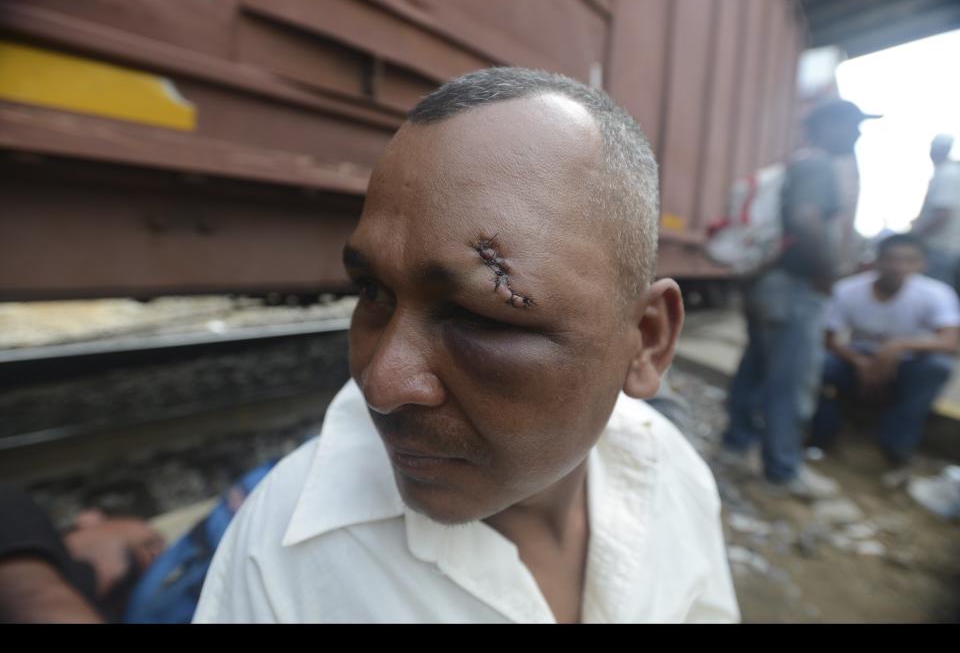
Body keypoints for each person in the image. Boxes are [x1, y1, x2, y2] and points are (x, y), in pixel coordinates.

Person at [193, 67, 740, 624]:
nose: (381, 385)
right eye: (372, 292)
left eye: (480, 319)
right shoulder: (284, 564)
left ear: (647, 341)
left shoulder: (670, 477)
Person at [721, 99, 880, 499]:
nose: (858, 135)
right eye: (853, 126)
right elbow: (806, 219)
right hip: (794, 287)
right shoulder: (820, 165)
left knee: (756, 366)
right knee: (791, 380)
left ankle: (735, 445)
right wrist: (827, 272)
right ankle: (783, 469)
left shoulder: (796, 161)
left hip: (769, 284)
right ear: (830, 126)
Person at [807, 233, 960, 472]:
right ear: (877, 261)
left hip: (906, 365)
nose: (898, 267)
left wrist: (898, 346)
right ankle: (822, 434)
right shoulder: (848, 289)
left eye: (909, 260)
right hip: (859, 358)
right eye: (891, 259)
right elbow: (827, 338)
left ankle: (895, 447)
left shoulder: (937, 294)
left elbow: (950, 342)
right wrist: (859, 362)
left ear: (922, 264)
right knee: (819, 364)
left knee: (937, 367)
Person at [0, 482, 165, 623]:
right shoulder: (10, 508)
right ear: (90, 519)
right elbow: (35, 600)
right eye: (150, 542)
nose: (157, 555)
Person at [912, 134, 960, 289]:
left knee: (938, 292)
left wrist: (914, 235)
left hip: (941, 250)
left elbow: (942, 213)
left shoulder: (947, 174)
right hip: (946, 249)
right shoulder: (949, 172)